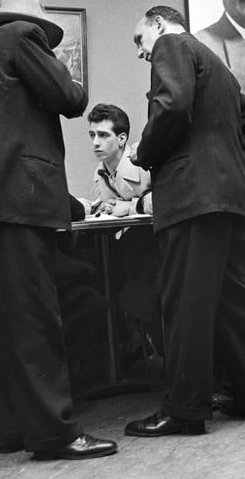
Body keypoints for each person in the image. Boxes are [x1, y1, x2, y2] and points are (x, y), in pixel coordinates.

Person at [0, 0, 116, 460]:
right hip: (18, 204)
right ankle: (54, 434)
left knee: (2, 326)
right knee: (37, 320)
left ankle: (14, 430)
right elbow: (71, 99)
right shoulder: (22, 35)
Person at [124, 5, 245, 436]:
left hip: (191, 197)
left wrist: (144, 153)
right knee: (237, 301)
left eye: (139, 39)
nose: (141, 51)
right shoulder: (218, 65)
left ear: (157, 24)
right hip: (228, 200)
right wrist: (228, 165)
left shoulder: (172, 44)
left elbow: (172, 107)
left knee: (185, 304)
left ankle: (184, 410)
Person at [85, 103, 161, 361]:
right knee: (95, 263)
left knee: (127, 271)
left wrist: (127, 207)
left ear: (121, 138)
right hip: (134, 242)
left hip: (161, 243)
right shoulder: (101, 172)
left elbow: (165, 199)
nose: (96, 142)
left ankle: (138, 341)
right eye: (92, 135)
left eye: (103, 135)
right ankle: (128, 342)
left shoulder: (143, 161)